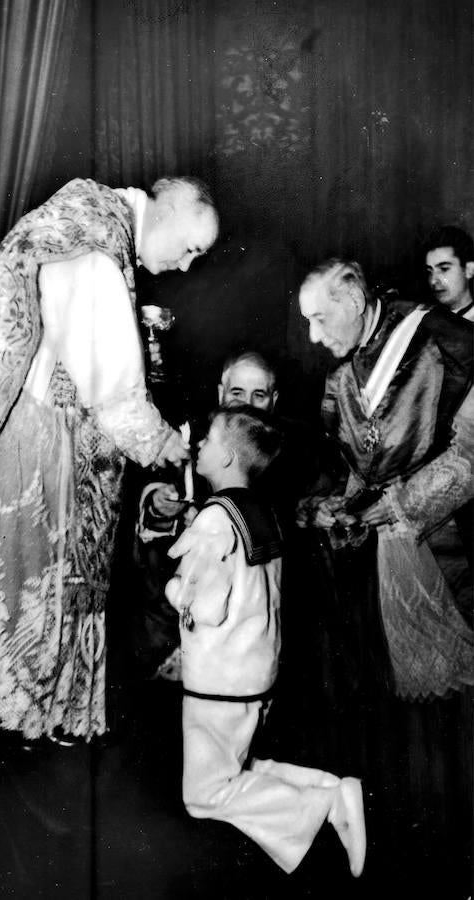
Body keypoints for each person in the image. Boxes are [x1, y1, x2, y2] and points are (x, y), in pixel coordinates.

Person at [0, 175, 219, 742]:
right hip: (30, 434)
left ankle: (11, 715)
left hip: (35, 423)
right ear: (165, 210)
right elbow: (110, 384)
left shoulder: (95, 219)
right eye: (190, 248)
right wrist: (160, 441)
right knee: (10, 572)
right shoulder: (94, 238)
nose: (188, 267)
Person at [165, 406, 366, 877]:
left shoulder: (216, 519)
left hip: (218, 680)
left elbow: (205, 605)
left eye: (210, 440)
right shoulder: (261, 513)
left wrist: (176, 590)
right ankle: (329, 788)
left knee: (203, 795)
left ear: (230, 458)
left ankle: (322, 806)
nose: (200, 446)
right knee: (238, 767)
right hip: (256, 674)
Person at [297, 258, 474, 698]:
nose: (313, 336)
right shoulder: (340, 375)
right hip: (380, 576)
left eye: (319, 318)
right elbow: (342, 464)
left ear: (355, 301)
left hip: (454, 551)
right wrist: (329, 505)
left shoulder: (445, 338)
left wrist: (405, 503)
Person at [132, 351, 280, 678]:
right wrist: (161, 505)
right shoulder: (196, 440)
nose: (247, 404)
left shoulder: (281, 456)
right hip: (175, 609)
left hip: (243, 630)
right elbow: (153, 495)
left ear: (274, 400)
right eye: (237, 393)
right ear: (220, 393)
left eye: (259, 395)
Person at [424, 225, 474, 321]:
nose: (433, 281)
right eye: (429, 271)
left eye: (444, 269)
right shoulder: (427, 318)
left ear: (469, 270)